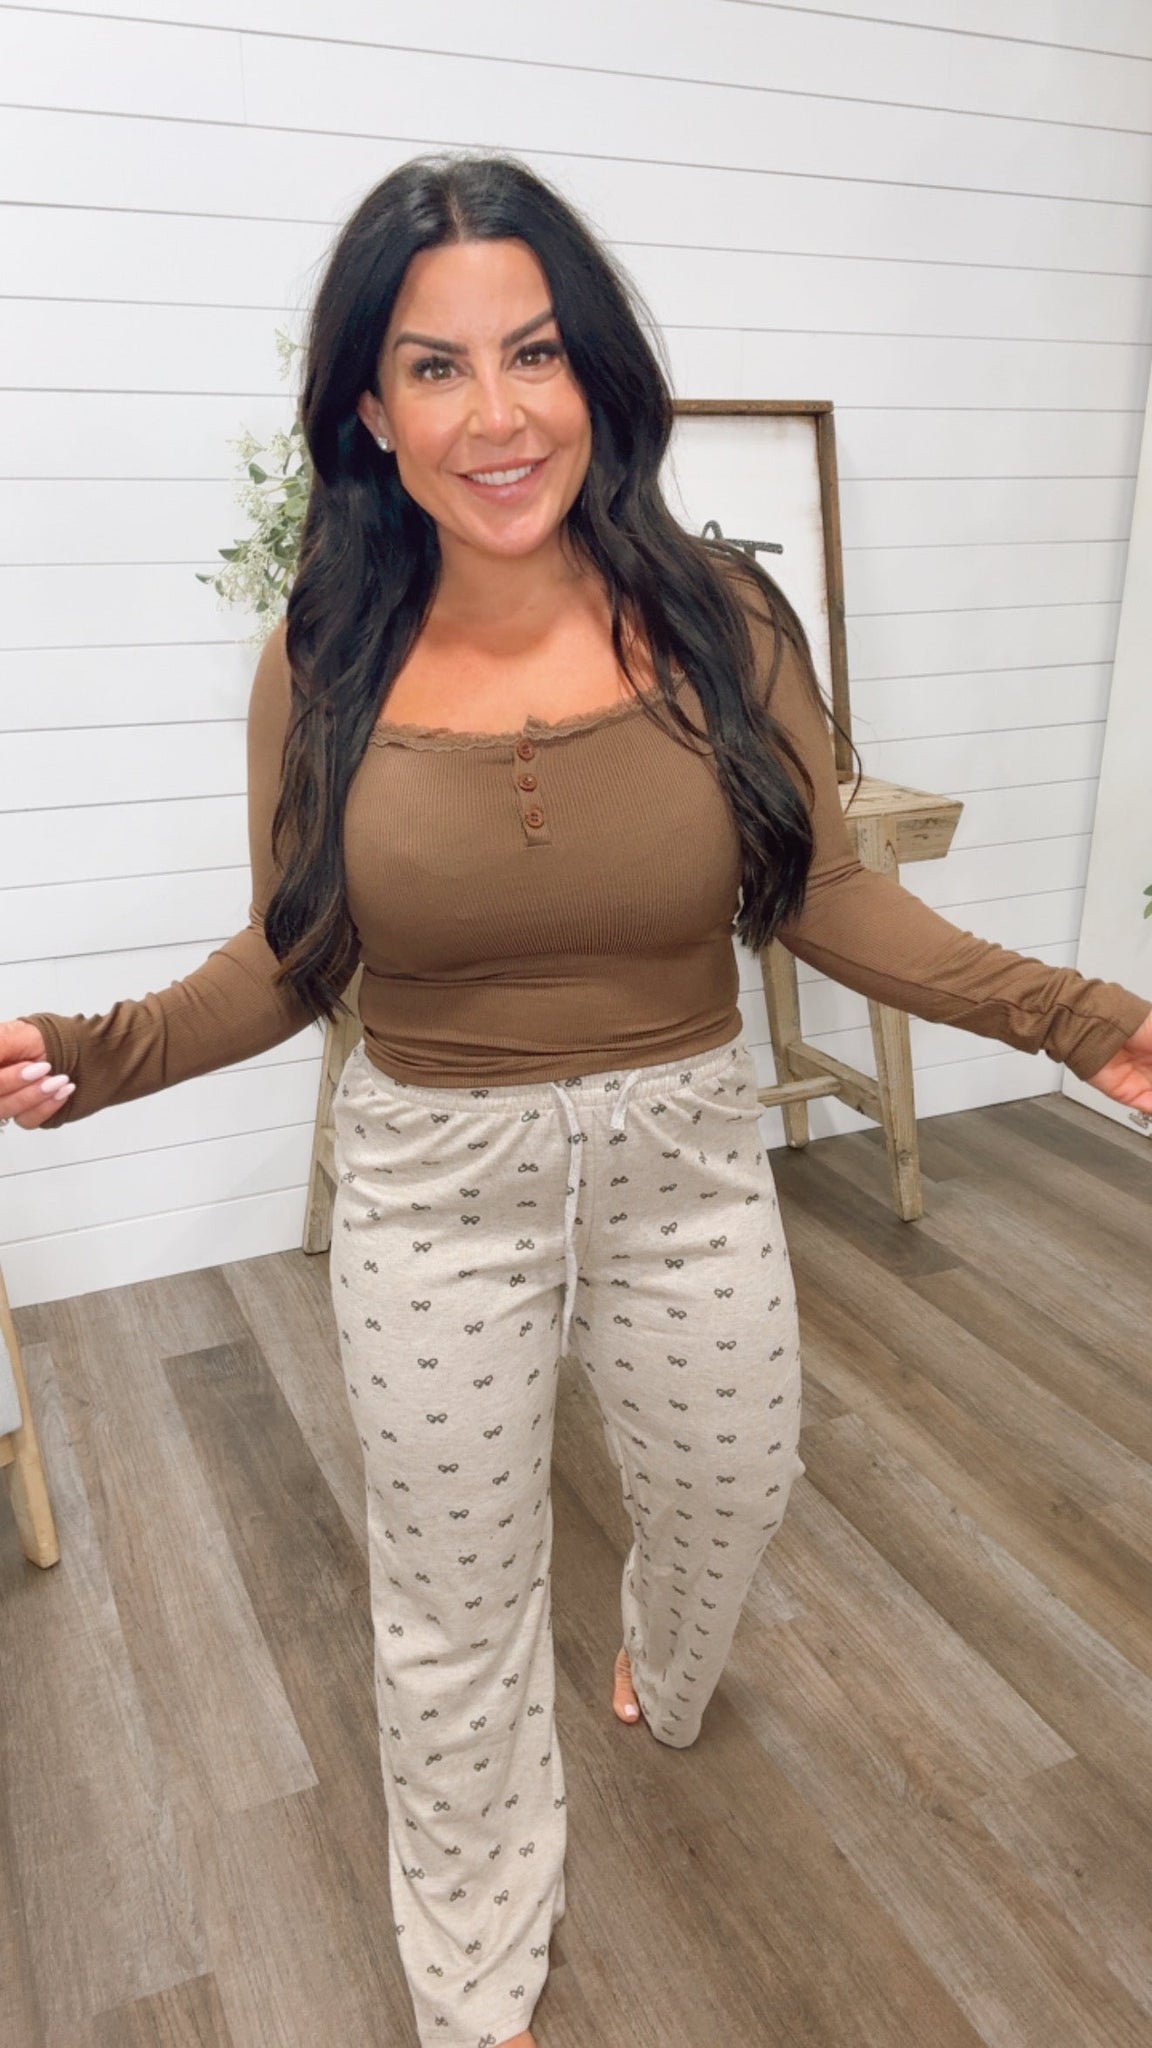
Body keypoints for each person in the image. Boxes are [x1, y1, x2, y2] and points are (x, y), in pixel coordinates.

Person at [3, 152, 1150, 2048]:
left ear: (595, 370)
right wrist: (97, 1050)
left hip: (687, 1152)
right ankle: (474, 1985)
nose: (498, 414)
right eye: (434, 366)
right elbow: (295, 951)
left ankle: (665, 1669)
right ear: (368, 414)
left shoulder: (722, 620)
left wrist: (1075, 1015)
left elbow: (824, 890)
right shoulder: (323, 660)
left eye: (532, 352)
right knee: (454, 1609)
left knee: (735, 1485)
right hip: (434, 1185)